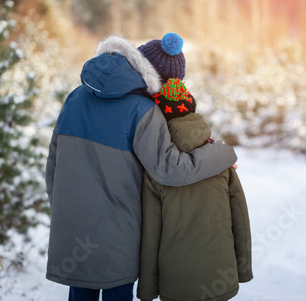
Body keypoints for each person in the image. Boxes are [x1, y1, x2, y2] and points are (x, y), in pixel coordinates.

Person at [45, 35, 237, 301]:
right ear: (162, 82)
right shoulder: (143, 110)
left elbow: (53, 163)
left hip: (72, 232)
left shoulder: (76, 96)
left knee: (80, 292)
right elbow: (171, 170)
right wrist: (222, 153)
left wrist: (63, 211)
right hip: (118, 239)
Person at [136, 34, 253, 301]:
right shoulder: (220, 159)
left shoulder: (154, 166)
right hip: (221, 278)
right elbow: (241, 219)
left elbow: (151, 233)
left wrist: (147, 290)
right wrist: (242, 270)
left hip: (176, 284)